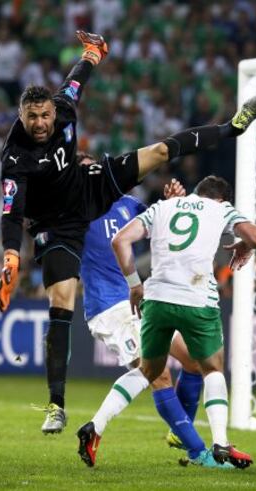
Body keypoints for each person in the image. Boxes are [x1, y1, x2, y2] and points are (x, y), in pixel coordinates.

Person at [0, 26, 256, 434]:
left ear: (53, 112)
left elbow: (74, 82)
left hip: (90, 185)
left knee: (159, 150)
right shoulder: (15, 157)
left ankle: (233, 127)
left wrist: (93, 54)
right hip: (57, 224)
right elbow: (11, 212)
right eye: (31, 116)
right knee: (62, 301)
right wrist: (11, 253)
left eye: (44, 115)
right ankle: (56, 405)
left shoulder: (64, 108)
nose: (39, 122)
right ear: (20, 116)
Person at [77, 175, 256, 469]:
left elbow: (120, 239)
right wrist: (244, 245)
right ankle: (217, 446)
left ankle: (100, 427)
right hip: (194, 299)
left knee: (166, 367)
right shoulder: (220, 209)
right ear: (220, 199)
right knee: (210, 368)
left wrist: (135, 285)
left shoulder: (161, 208)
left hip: (155, 300)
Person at [79, 162, 209, 466]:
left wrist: (172, 203)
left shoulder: (130, 205)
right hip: (108, 307)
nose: (92, 175)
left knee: (193, 360)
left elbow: (164, 228)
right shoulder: (77, 212)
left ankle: (175, 432)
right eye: (84, 172)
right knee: (158, 373)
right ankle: (198, 451)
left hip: (141, 300)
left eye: (94, 169)